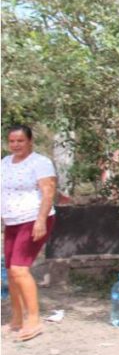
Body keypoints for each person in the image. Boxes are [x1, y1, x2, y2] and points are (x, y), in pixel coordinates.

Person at [1, 124, 57, 342]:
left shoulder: (41, 163)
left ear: (30, 141)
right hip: (12, 221)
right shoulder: (5, 163)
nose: (16, 145)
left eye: (20, 141)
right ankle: (16, 319)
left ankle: (34, 321)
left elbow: (48, 192)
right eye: (12, 141)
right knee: (10, 271)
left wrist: (40, 220)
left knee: (19, 269)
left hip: (33, 219)